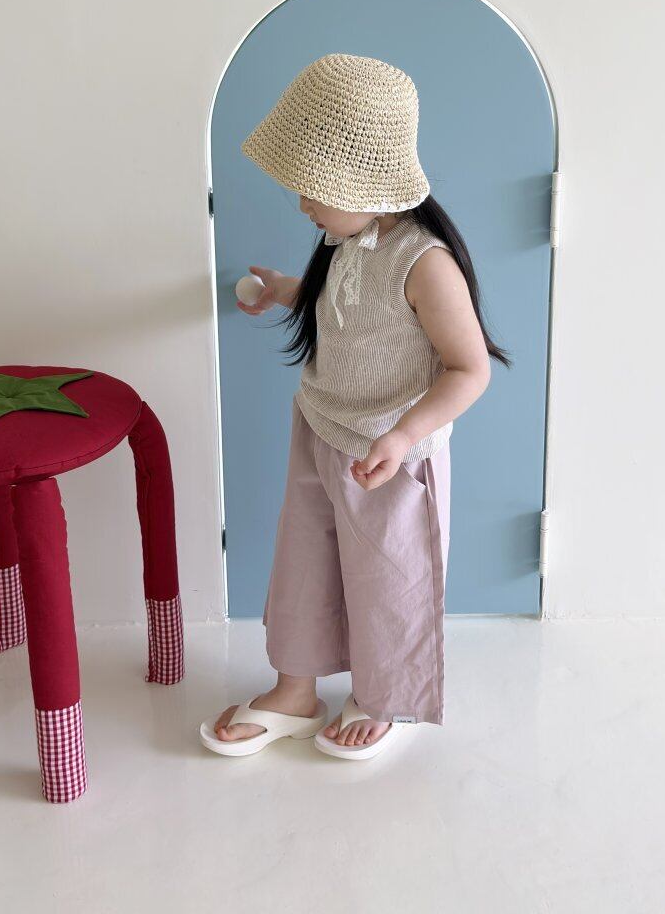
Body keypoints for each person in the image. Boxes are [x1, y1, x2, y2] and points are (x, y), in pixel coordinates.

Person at [199, 52, 511, 761]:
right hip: (320, 427)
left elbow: (468, 371)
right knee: (303, 561)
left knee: (390, 576)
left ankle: (382, 693)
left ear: (363, 183)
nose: (302, 205)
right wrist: (285, 290)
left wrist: (402, 436)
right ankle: (295, 689)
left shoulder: (426, 263)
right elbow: (345, 307)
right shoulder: (344, 239)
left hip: (389, 457)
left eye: (312, 190)